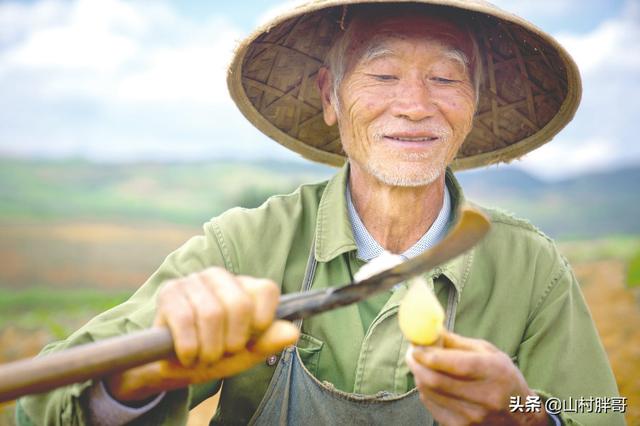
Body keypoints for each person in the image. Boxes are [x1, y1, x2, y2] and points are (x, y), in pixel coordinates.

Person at [17, 1, 623, 425]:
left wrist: (518, 413)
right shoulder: (245, 246)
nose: (415, 105)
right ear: (330, 97)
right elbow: (42, 404)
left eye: (445, 77)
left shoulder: (530, 264)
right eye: (382, 73)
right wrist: (138, 378)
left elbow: (606, 410)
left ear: (471, 105)